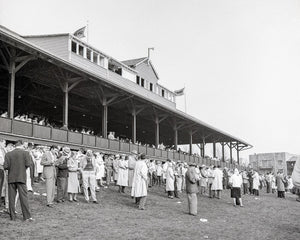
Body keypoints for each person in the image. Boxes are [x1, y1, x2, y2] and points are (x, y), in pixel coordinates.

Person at [3, 140, 33, 221]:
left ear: (14, 146)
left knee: (11, 198)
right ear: (22, 145)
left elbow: (5, 166)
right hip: (21, 177)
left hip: (11, 177)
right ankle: (26, 216)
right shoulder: (26, 153)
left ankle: (12, 217)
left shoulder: (8, 154)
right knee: (24, 197)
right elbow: (28, 164)